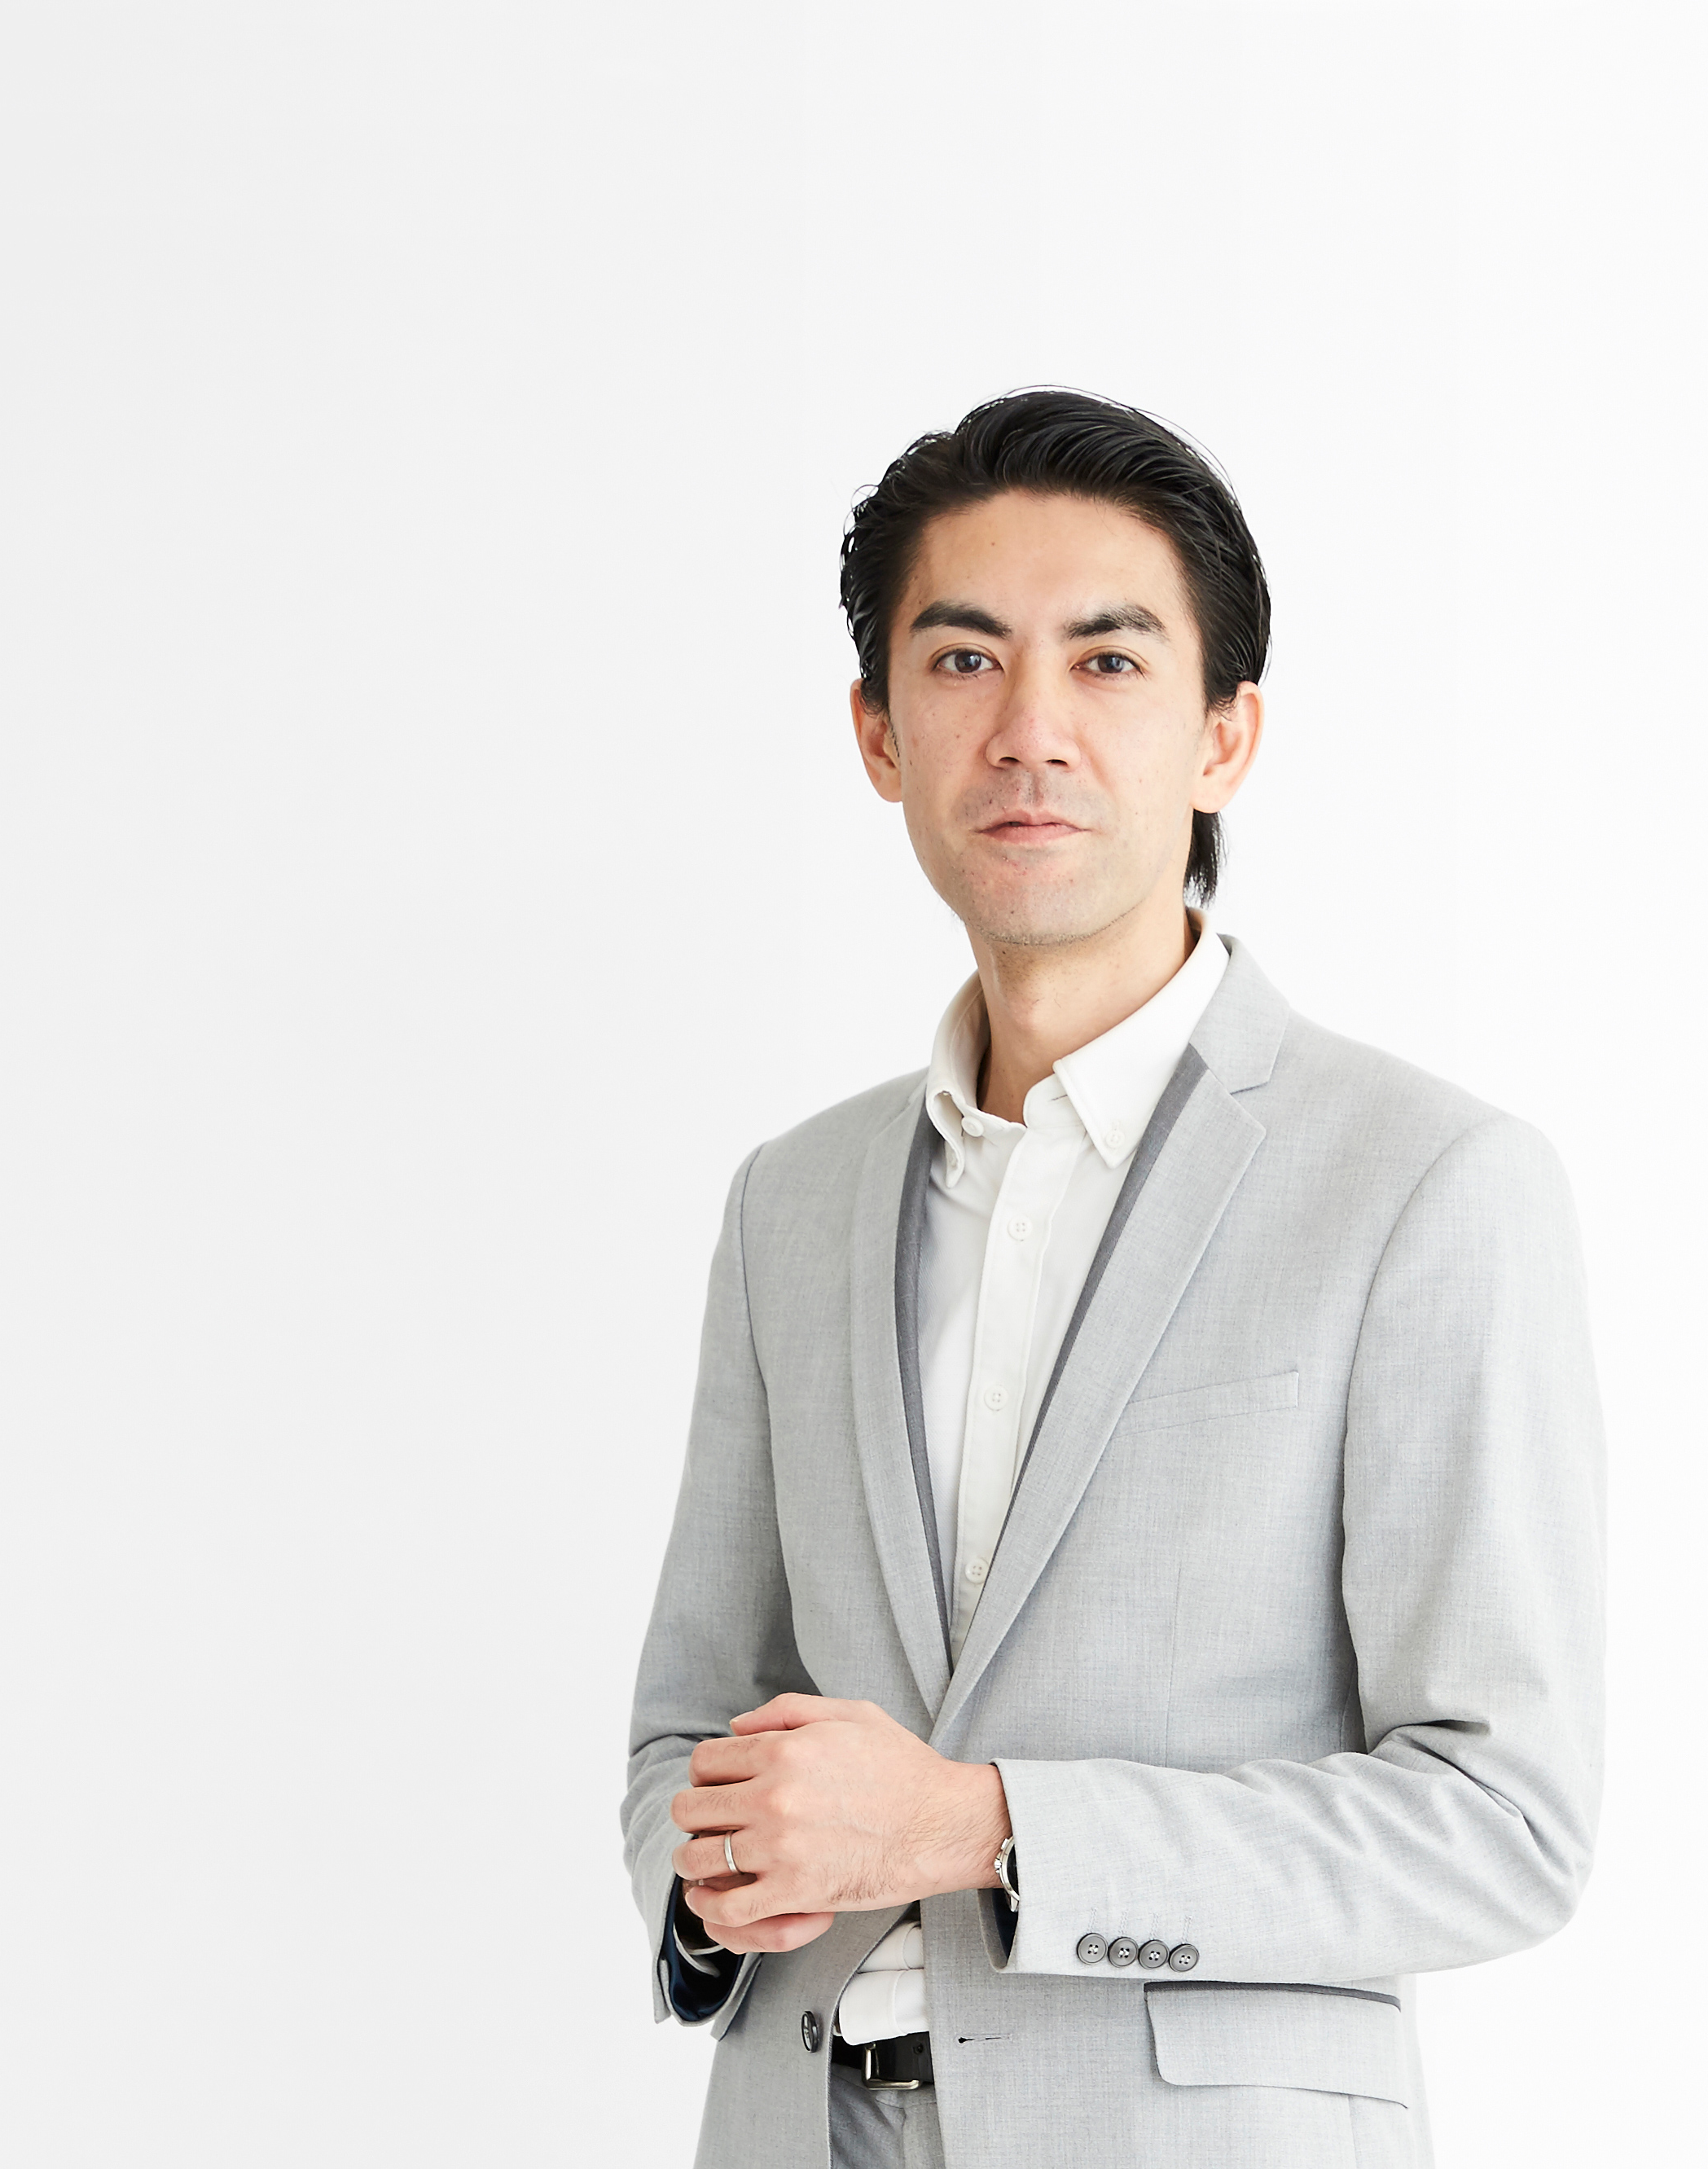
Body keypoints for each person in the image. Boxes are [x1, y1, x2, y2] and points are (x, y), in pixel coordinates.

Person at [623, 389, 1606, 2168]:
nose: (1028, 731)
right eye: (963, 661)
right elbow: (691, 1726)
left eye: (1107, 662)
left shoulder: (1423, 1184)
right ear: (877, 733)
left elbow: (1499, 1819)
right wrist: (715, 1873)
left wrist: (980, 1827)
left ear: (1226, 734)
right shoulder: (793, 1203)